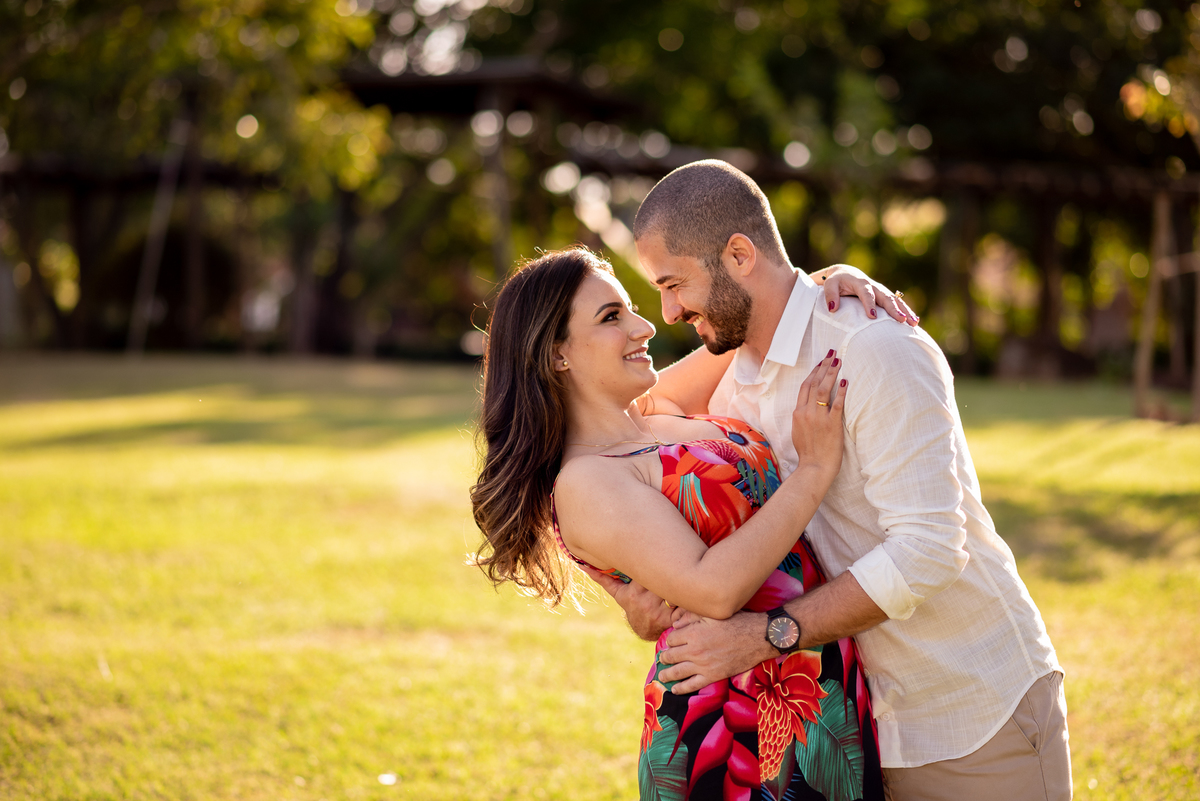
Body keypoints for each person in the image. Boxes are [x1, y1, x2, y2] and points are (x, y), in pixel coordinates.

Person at [589, 160, 1070, 801]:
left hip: (972, 710)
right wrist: (649, 596)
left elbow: (929, 549)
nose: (669, 310)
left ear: (738, 254)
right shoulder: (728, 383)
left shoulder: (873, 350)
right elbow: (619, 426)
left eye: (675, 284)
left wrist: (764, 637)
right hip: (859, 729)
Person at [471, 247, 899, 800]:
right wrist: (814, 470)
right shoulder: (586, 482)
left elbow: (758, 319)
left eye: (629, 308)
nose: (644, 326)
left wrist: (824, 283)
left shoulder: (657, 408)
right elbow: (713, 589)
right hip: (733, 724)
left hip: (814, 687)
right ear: (556, 354)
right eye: (611, 318)